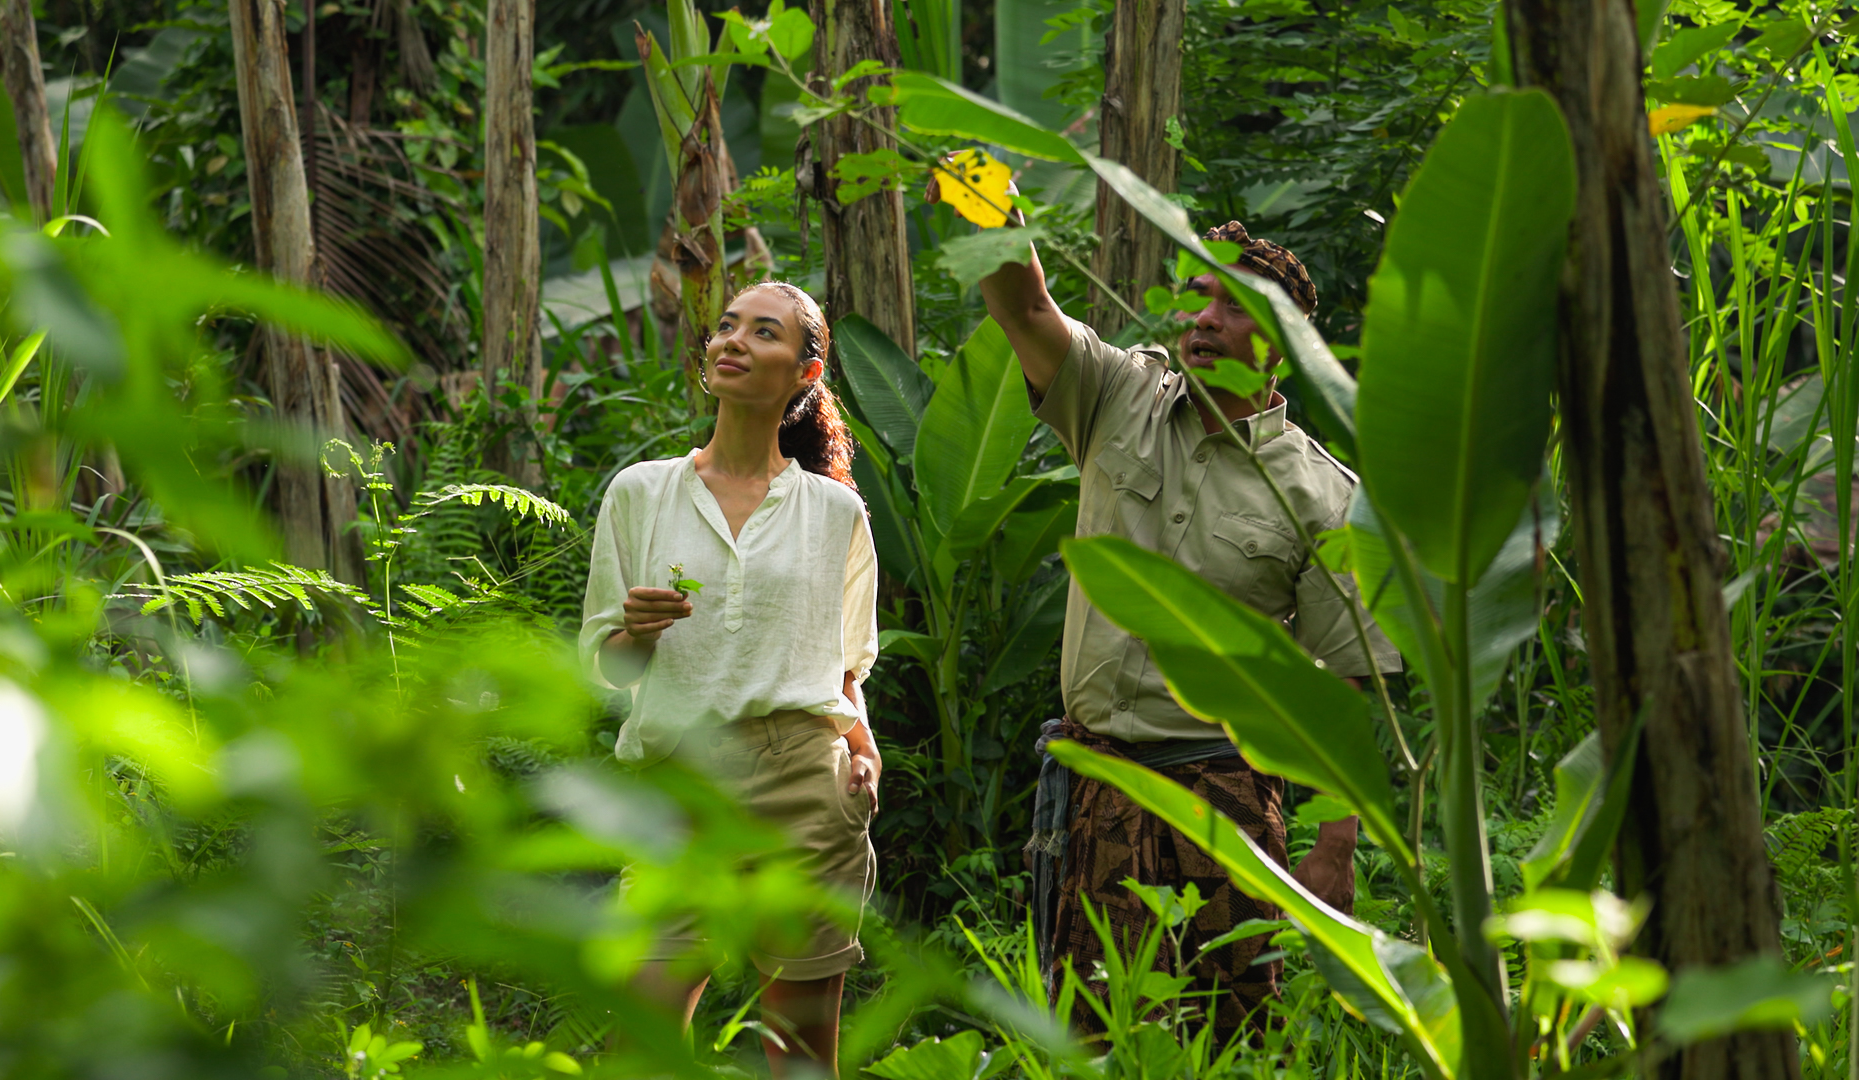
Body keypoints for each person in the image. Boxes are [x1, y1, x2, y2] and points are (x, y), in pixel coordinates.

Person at [932, 177, 1399, 1037]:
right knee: (1090, 1032)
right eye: (1197, 296)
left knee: (1226, 1033)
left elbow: (1345, 686)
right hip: (1098, 783)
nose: (1205, 318)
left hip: (1222, 793)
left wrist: (1336, 846)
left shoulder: (1324, 496)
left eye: (1234, 306)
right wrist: (983, 195)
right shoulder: (1117, 395)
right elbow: (1026, 308)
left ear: (1283, 341)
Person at [579, 281, 882, 1078]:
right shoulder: (641, 492)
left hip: (803, 782)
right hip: (679, 787)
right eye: (725, 327)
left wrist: (863, 749)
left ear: (806, 372)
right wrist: (636, 633)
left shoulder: (836, 514)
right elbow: (606, 668)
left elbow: (845, 667)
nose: (733, 341)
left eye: (763, 332)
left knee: (801, 1058)